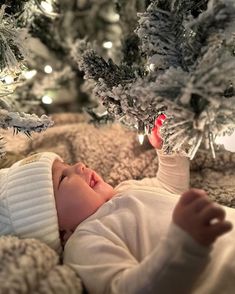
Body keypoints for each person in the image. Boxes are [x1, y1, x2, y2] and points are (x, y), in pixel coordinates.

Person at [0, 116, 234, 294]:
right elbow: (127, 288)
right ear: (58, 230)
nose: (80, 166)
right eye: (62, 178)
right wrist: (184, 243)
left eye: (68, 164)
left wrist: (168, 150)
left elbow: (171, 189)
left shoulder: (124, 189)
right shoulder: (84, 244)